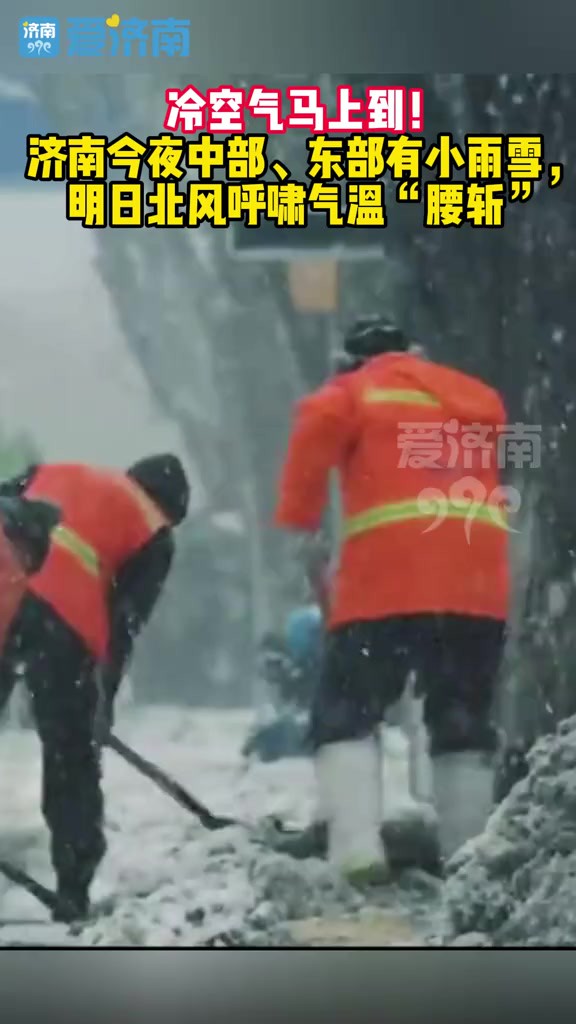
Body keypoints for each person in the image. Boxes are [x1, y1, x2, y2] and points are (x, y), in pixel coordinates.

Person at [274, 316, 510, 884]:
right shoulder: (475, 396)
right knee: (461, 715)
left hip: (389, 580)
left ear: (349, 361)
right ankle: (467, 852)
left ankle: (355, 848)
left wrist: (302, 524)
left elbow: (313, 432)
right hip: (476, 583)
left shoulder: (352, 392)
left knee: (345, 711)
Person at [0, 455, 190, 921]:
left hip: (6, 580)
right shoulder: (155, 532)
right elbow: (125, 622)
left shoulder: (58, 470)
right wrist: (101, 700)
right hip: (66, 622)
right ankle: (73, 885)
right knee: (70, 755)